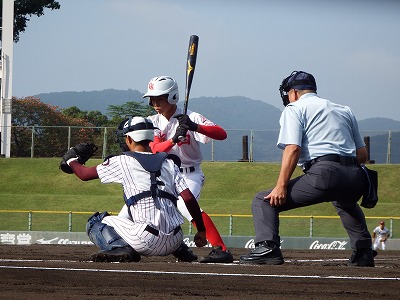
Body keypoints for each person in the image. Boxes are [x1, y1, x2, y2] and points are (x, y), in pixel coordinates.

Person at [240, 71, 375, 267]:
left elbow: (293, 148)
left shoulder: (294, 108)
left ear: (294, 92)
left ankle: (268, 248)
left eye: (288, 93)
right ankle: (364, 252)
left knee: (263, 200)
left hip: (325, 172)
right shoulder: (344, 109)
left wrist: (281, 186)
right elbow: (362, 154)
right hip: (356, 177)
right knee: (344, 201)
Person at [62, 116, 207, 262]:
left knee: (95, 221)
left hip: (144, 241)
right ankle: (182, 250)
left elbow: (84, 174)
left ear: (129, 140)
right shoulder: (169, 163)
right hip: (175, 239)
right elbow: (189, 198)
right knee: (149, 212)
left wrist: (71, 160)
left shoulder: (122, 161)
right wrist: (201, 230)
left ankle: (120, 248)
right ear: (151, 138)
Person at [142, 75, 234, 263]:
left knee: (185, 205)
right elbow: (155, 148)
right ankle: (176, 247)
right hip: (165, 174)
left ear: (172, 97)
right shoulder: (153, 121)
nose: (154, 103)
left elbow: (221, 134)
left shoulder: (191, 116)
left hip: (189, 174)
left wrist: (195, 127)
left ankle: (220, 248)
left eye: (159, 98)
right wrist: (174, 139)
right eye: (152, 99)